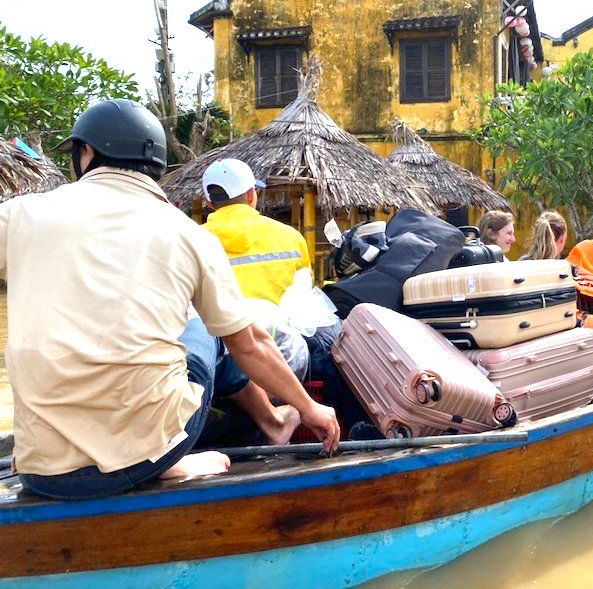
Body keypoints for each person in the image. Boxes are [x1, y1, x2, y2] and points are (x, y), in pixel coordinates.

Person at [0, 99, 339, 500]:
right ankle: (267, 424)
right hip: (145, 460)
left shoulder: (18, 215)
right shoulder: (190, 235)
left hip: (42, 471)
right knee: (206, 328)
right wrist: (311, 409)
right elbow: (249, 343)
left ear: (86, 153)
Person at [202, 158, 311, 304]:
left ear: (209, 202)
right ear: (250, 195)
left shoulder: (190, 241)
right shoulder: (291, 237)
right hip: (279, 326)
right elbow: (305, 290)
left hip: (215, 326)